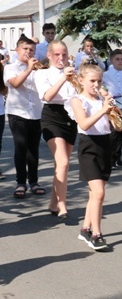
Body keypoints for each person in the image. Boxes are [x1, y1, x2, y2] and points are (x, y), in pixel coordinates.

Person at [68, 64, 114, 251]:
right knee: (99, 193)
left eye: (99, 81)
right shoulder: (77, 100)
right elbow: (84, 124)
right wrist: (103, 109)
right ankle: (97, 234)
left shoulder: (102, 101)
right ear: (81, 81)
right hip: (89, 146)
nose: (96, 84)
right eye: (92, 81)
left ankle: (85, 229)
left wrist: (113, 111)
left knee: (95, 194)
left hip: (105, 145)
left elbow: (117, 127)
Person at [35, 40, 78, 219]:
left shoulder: (73, 73)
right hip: (51, 116)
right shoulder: (42, 74)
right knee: (63, 162)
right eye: (57, 55)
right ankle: (62, 205)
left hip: (70, 117)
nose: (61, 58)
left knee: (61, 166)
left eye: (64, 55)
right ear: (49, 56)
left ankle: (53, 203)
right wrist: (63, 78)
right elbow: (47, 96)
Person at [4, 36, 44, 198]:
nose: (28, 52)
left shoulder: (39, 69)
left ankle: (33, 181)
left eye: (31, 50)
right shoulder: (10, 68)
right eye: (25, 49)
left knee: (33, 149)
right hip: (17, 112)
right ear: (17, 50)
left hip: (35, 112)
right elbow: (15, 83)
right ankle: (21, 182)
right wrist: (29, 69)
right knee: (21, 147)